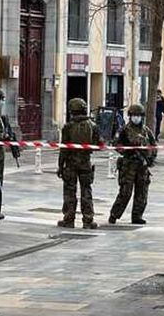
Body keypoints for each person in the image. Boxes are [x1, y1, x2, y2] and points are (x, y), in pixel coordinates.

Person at [57, 98, 102, 229]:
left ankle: (68, 219)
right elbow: (99, 144)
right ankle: (88, 220)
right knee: (86, 192)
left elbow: (63, 148)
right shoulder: (93, 125)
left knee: (70, 192)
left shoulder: (68, 127)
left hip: (70, 164)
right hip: (85, 163)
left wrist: (60, 166)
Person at [109, 104, 157, 225]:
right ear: (130, 116)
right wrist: (126, 150)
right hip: (128, 165)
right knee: (125, 192)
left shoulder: (146, 131)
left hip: (142, 166)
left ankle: (137, 216)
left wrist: (151, 158)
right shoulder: (124, 130)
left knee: (142, 193)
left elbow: (153, 145)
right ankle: (114, 214)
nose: (136, 118)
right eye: (134, 115)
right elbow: (115, 143)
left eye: (139, 115)